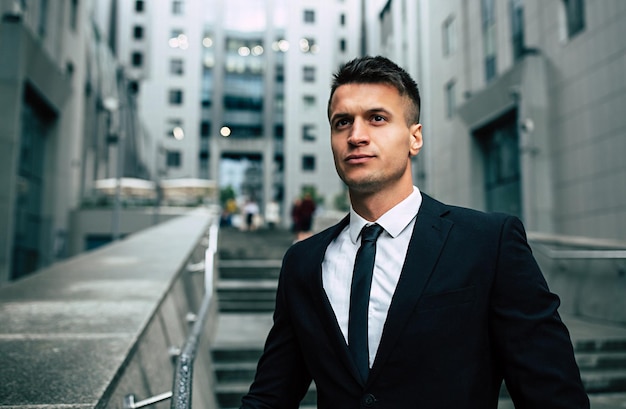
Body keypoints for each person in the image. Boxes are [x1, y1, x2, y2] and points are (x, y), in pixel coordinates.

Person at [240, 56, 589, 408]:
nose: (356, 136)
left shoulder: (488, 243)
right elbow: (271, 396)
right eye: (342, 122)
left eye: (377, 119)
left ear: (414, 138)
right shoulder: (303, 263)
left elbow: (553, 396)